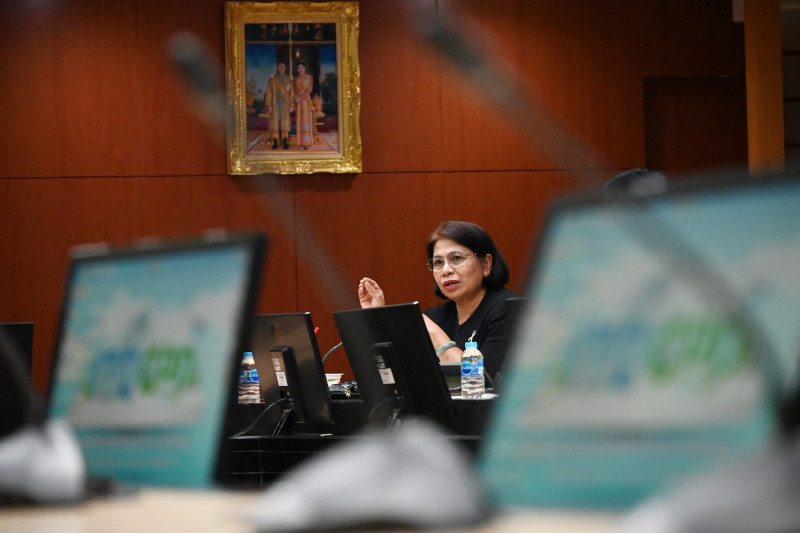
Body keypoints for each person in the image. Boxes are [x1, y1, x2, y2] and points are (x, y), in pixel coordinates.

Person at [358, 221, 517, 381]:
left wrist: (436, 337)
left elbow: (483, 383)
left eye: (456, 258)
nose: (446, 271)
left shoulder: (509, 310)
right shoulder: (435, 316)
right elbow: (402, 379)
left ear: (486, 264)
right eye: (438, 262)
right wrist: (376, 319)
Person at [265, 60, 294, 150]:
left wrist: (292, 105)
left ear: (285, 68)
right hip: (275, 103)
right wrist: (269, 104)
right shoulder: (273, 79)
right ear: (277, 68)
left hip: (285, 104)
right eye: (280, 66)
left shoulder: (289, 80)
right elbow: (269, 92)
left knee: (284, 121)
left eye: (283, 66)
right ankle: (276, 140)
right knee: (275, 122)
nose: (281, 68)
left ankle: (285, 140)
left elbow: (291, 94)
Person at [293, 62, 314, 150]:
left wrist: (301, 97)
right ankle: (301, 142)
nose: (300, 69)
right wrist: (296, 98)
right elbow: (294, 90)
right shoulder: (296, 79)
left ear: (305, 68)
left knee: (306, 120)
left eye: (302, 67)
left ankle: (307, 143)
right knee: (300, 120)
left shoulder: (309, 77)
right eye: (298, 68)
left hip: (306, 101)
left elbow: (309, 90)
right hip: (299, 102)